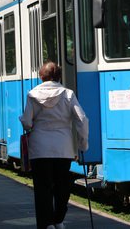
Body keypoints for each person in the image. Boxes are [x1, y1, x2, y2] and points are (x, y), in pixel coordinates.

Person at [20, 61, 89, 229]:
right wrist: (83, 143)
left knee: (43, 188)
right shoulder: (68, 94)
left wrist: (24, 121)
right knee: (62, 186)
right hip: (63, 148)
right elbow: (82, 120)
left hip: (39, 148)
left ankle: (46, 224)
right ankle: (58, 219)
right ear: (59, 76)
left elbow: (28, 123)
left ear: (41, 76)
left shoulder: (32, 94)